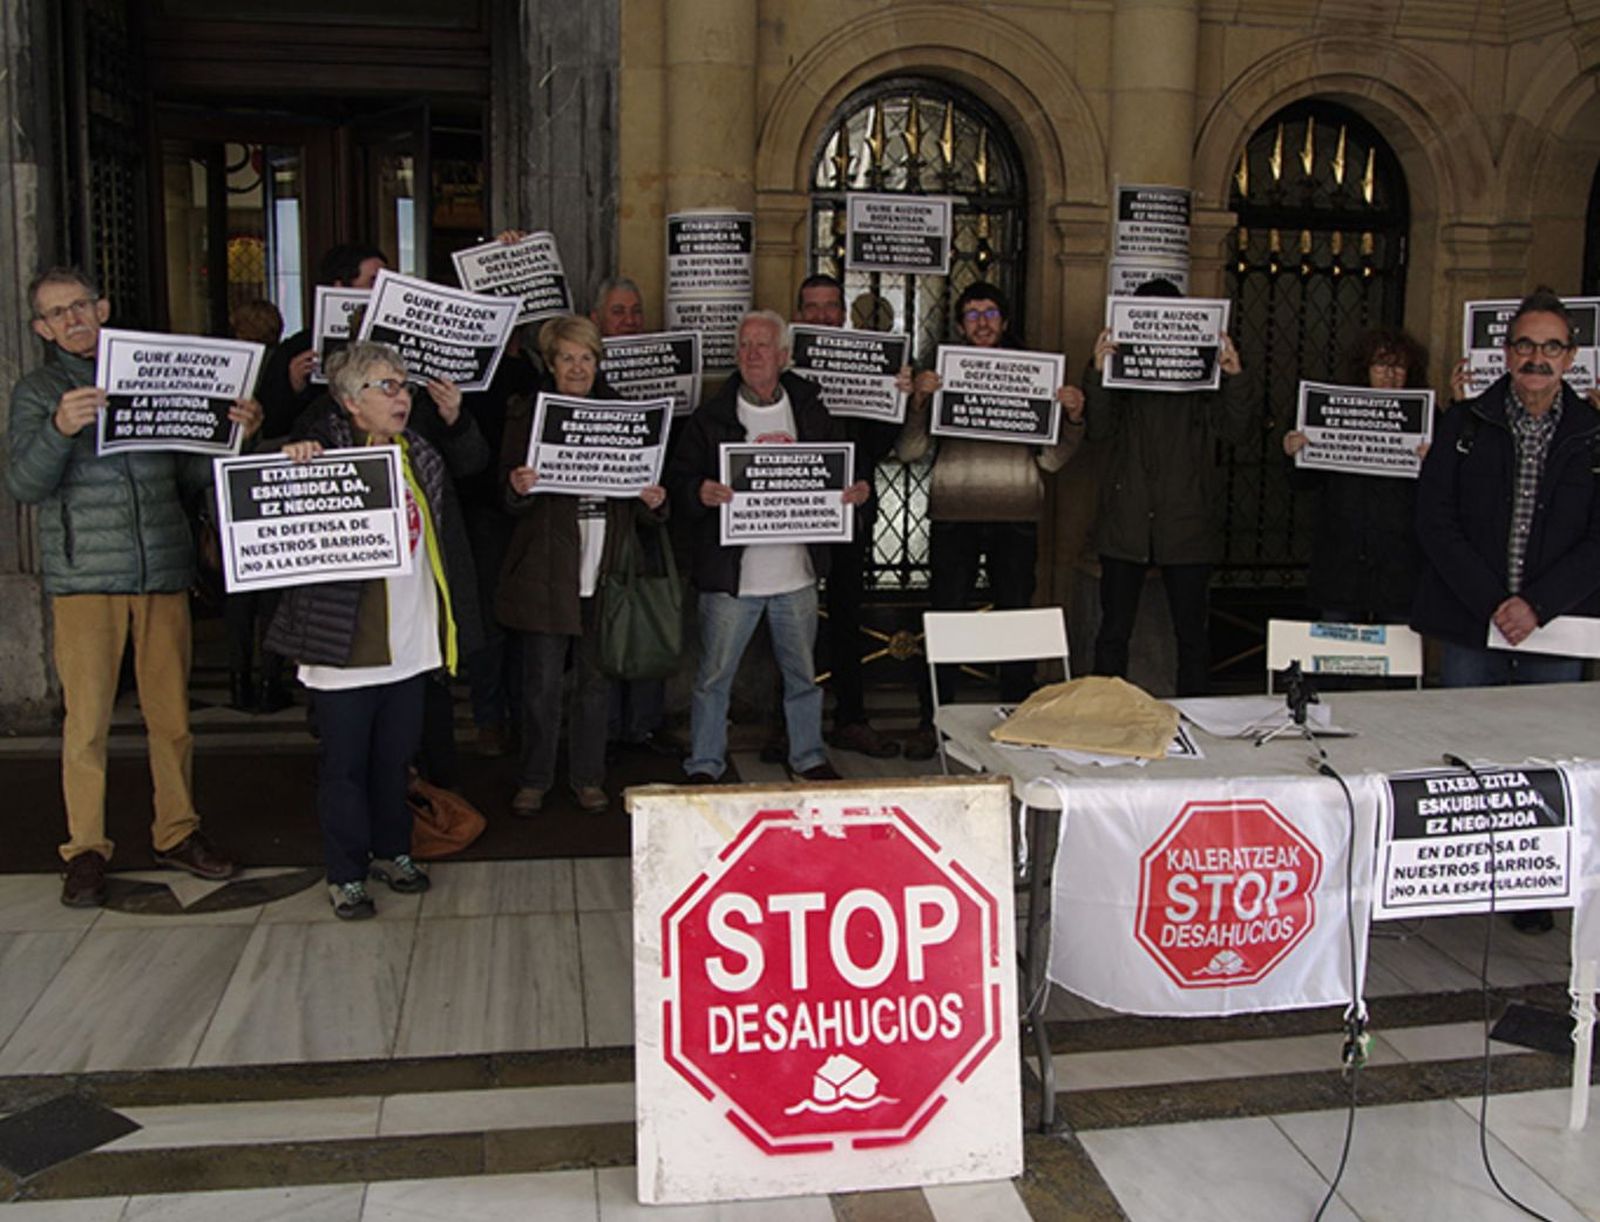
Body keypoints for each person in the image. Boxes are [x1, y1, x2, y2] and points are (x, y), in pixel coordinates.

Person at [6, 266, 260, 906]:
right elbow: (23, 485)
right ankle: (85, 848)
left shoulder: (149, 372)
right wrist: (58, 430)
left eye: (80, 306)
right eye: (56, 313)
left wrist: (235, 434)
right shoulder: (38, 391)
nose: (71, 319)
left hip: (162, 567)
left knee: (171, 717)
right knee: (85, 723)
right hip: (86, 577)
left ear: (103, 307)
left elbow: (193, 471)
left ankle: (177, 830)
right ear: (41, 328)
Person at [265, 341, 474, 919]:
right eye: (387, 387)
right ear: (351, 403)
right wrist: (291, 452)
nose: (401, 397)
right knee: (345, 765)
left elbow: (470, 468)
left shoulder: (419, 455)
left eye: (403, 386)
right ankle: (346, 872)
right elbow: (252, 481)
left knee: (393, 759)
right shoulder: (321, 453)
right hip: (344, 644)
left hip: (409, 639)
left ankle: (394, 850)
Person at [667, 310, 870, 783]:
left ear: (783, 355)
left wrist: (853, 494)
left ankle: (808, 756)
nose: (752, 353)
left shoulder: (812, 410)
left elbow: (841, 473)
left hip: (796, 573)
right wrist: (698, 491)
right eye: (744, 345)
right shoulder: (712, 415)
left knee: (802, 678)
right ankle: (705, 763)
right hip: (731, 577)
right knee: (713, 679)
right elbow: (679, 479)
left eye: (762, 345)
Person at [897, 281, 1085, 760]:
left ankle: (1019, 718)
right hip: (955, 512)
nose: (982, 322)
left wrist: (1074, 417)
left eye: (991, 313)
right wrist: (919, 403)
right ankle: (932, 719)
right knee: (944, 620)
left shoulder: (1033, 376)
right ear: (960, 325)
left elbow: (1053, 461)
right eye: (973, 314)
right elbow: (910, 452)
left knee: (1017, 619)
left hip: (1015, 513)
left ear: (1004, 322)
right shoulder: (941, 375)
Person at [496, 315, 669, 816]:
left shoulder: (625, 416)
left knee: (596, 684)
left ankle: (588, 777)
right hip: (546, 571)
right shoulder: (528, 414)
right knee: (541, 687)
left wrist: (654, 500)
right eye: (567, 358)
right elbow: (503, 498)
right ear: (550, 364)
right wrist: (518, 487)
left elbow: (645, 502)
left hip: (606, 567)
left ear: (599, 362)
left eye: (586, 358)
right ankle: (534, 779)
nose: (577, 367)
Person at [1412, 288, 1600, 687]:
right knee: (1464, 741)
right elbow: (1434, 520)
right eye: (1526, 345)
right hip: (1472, 621)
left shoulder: (1594, 433)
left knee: (1547, 744)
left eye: (1552, 347)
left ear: (1570, 356)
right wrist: (1493, 603)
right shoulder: (1463, 423)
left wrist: (1535, 606)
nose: (1537, 359)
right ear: (1507, 352)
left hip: (1558, 626)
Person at [1085, 277, 1250, 697]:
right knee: (1113, 633)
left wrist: (1234, 377)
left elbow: (1236, 431)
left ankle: (1193, 717)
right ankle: (1104, 718)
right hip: (1127, 524)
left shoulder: (1203, 374)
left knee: (1192, 636)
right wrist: (1098, 374)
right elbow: (1098, 430)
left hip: (1186, 524)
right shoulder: (1119, 371)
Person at [794, 273, 903, 759]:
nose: (821, 316)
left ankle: (852, 717)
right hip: (790, 510)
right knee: (787, 617)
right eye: (812, 307)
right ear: (799, 315)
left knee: (846, 612)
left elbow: (884, 446)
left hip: (850, 510)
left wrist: (897, 399)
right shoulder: (785, 368)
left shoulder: (866, 366)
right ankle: (787, 722)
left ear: (843, 314)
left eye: (830, 307)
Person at [588, 272, 678, 759]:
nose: (628, 321)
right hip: (595, 526)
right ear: (597, 319)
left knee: (645, 618)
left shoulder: (659, 371)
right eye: (618, 312)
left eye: (635, 312)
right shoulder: (582, 377)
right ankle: (604, 728)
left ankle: (643, 726)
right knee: (604, 624)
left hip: (643, 522)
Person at [1282, 328, 1430, 622]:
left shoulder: (1428, 419)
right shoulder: (1328, 412)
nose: (1390, 375)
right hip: (1342, 562)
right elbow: (1301, 483)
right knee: (1337, 659)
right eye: (1381, 366)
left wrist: (1433, 464)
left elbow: (1445, 493)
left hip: (1399, 565)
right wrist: (1294, 454)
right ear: (1364, 370)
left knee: (1398, 659)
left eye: (1398, 366)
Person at [223, 299, 292, 713]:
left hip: (230, 483)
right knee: (272, 590)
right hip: (274, 479)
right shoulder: (281, 364)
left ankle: (237, 680)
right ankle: (270, 679)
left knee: (239, 592)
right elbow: (290, 416)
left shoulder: (224, 365)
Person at [257, 243, 387, 438]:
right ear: (340, 288)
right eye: (373, 282)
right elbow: (272, 423)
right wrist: (293, 385)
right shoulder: (297, 349)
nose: (383, 291)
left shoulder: (394, 347)